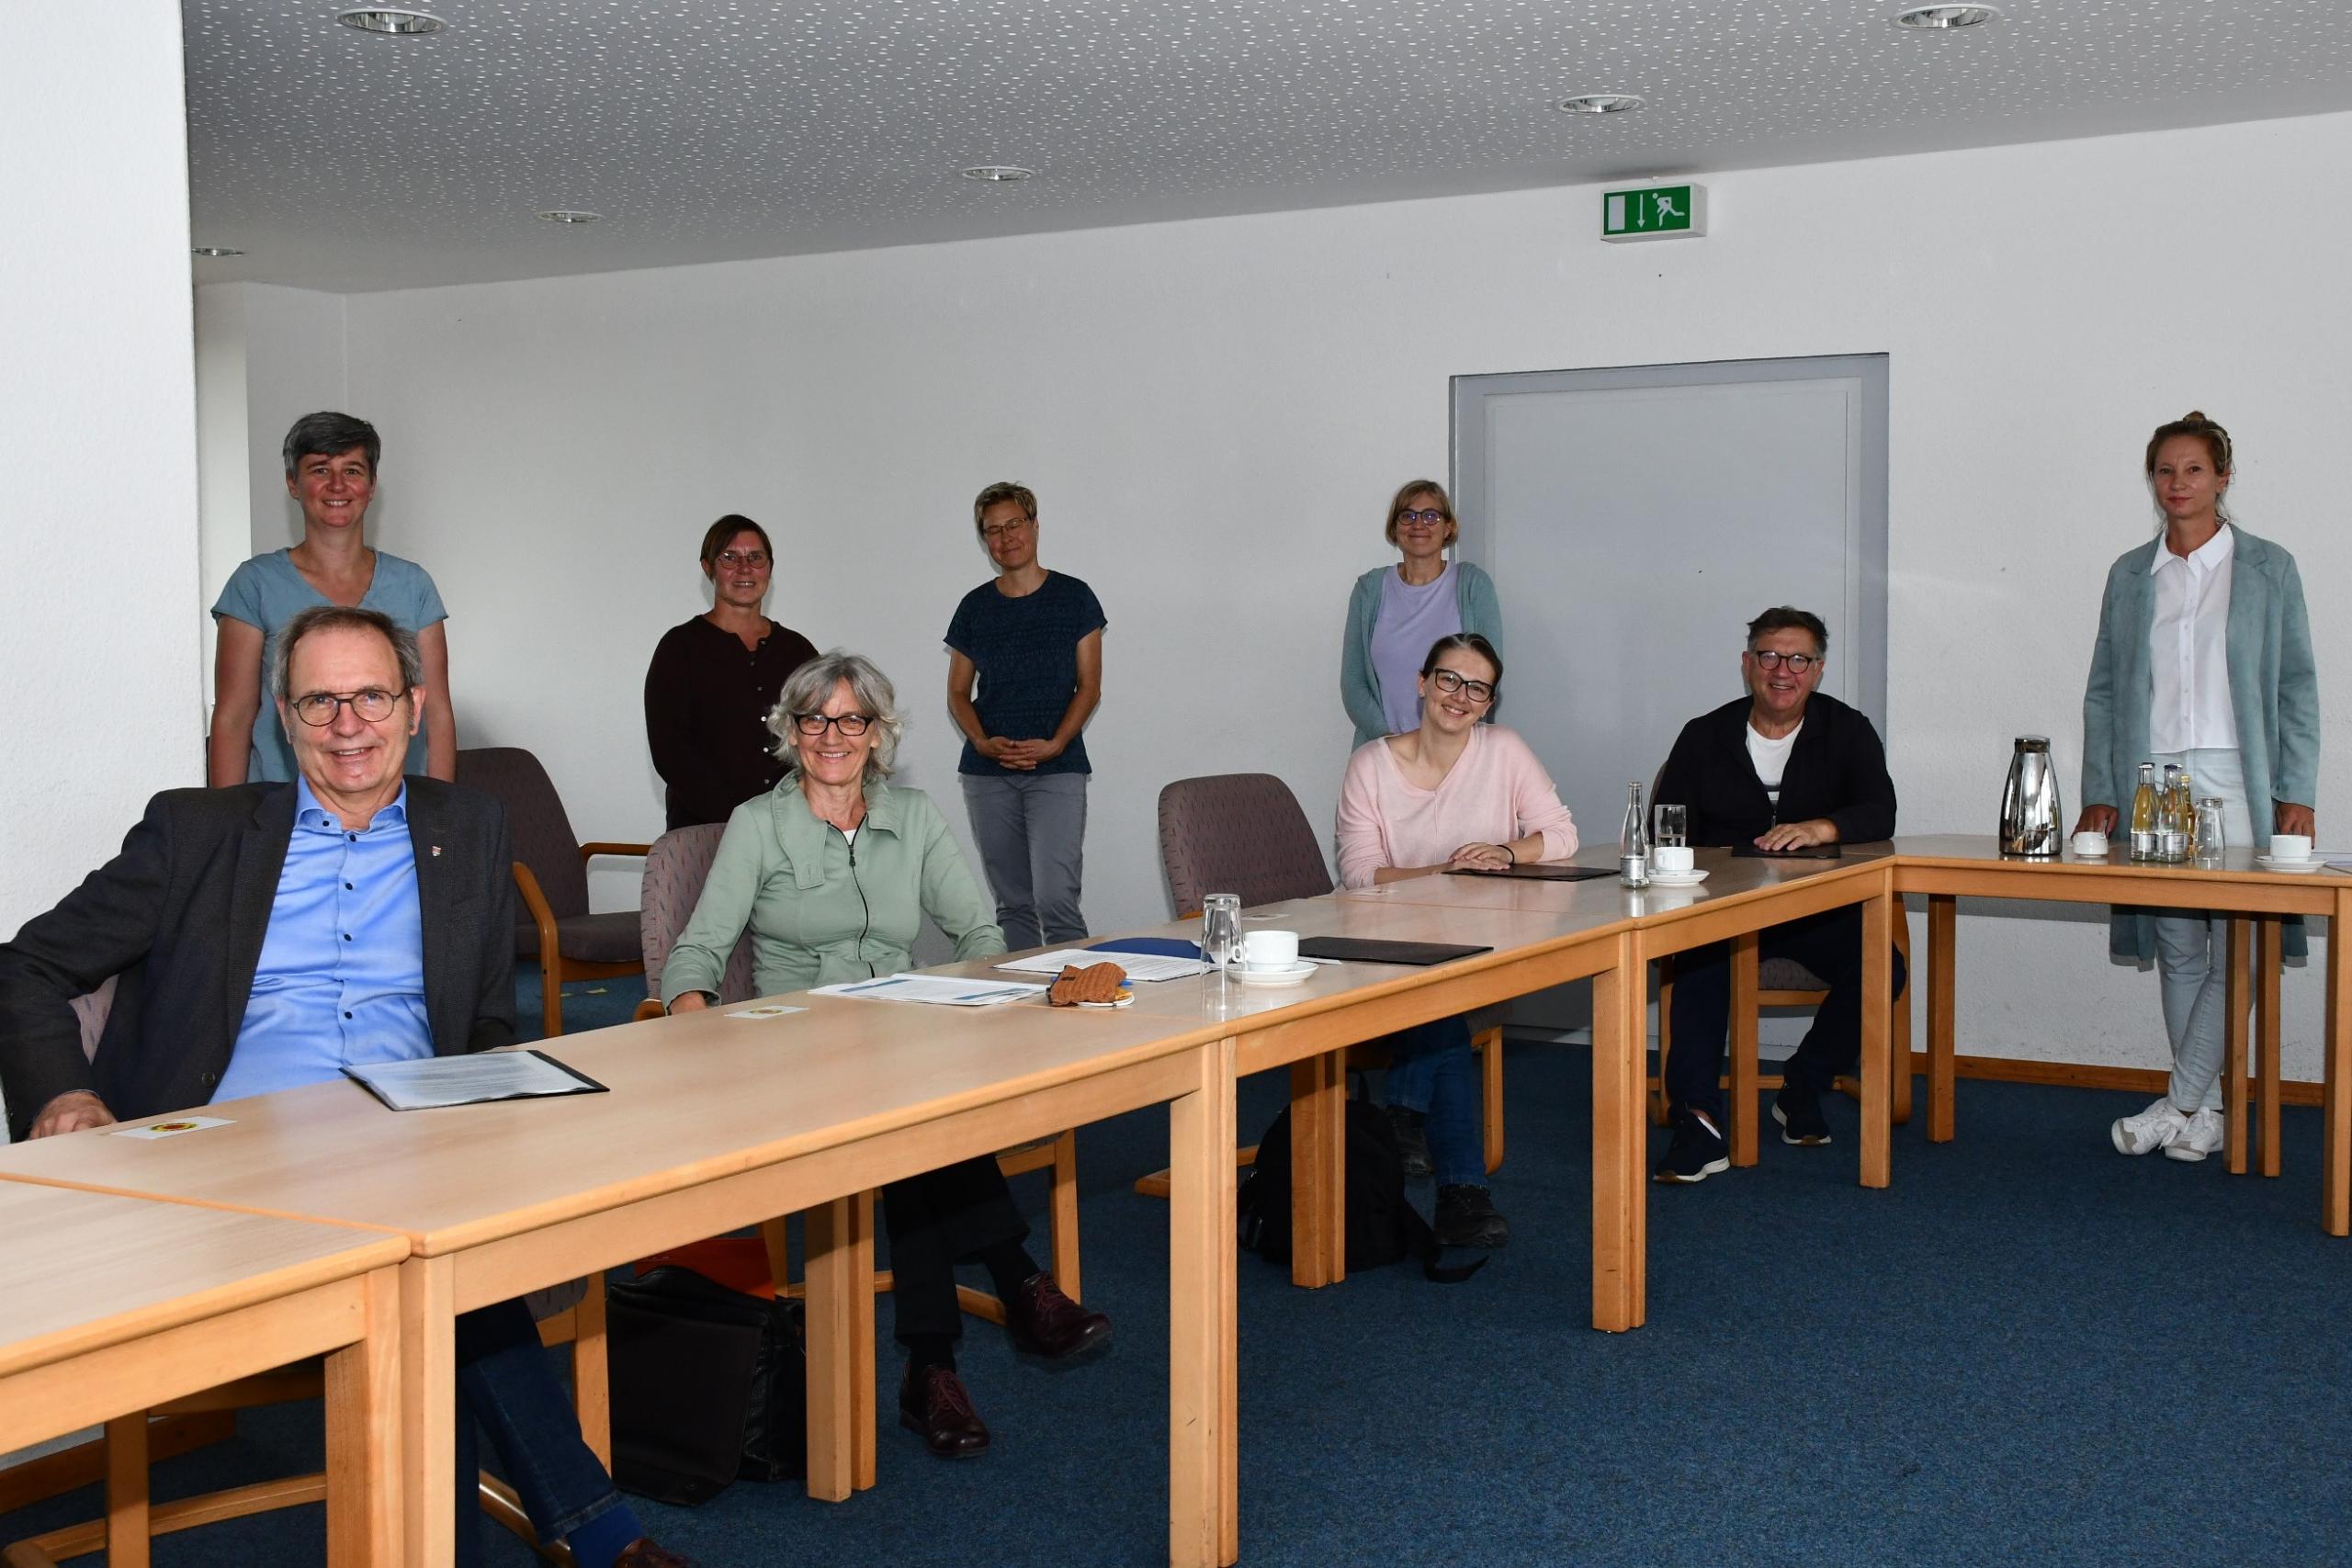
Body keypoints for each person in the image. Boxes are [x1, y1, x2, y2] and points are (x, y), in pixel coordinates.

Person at [0, 606, 690, 1568]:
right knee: (443, 1278)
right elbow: (25, 966)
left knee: (444, 1253)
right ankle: (593, 1528)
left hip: (413, 1141)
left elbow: (487, 1022)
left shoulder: (471, 828)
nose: (347, 723)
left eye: (370, 695)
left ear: (412, 707)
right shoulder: (197, 834)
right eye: (319, 700)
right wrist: (59, 1097)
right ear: (286, 719)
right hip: (233, 1166)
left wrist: (510, 1111)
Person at [663, 649, 1111, 1458]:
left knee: (914, 1130)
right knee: (916, 1135)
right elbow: (697, 950)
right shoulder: (758, 824)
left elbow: (977, 934)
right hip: (800, 1048)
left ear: (878, 733)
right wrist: (693, 1025)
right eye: (815, 718)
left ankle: (933, 1369)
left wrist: (1001, 994)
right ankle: (1011, 1289)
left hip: (908, 1032)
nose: (833, 734)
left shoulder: (916, 816)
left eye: (851, 719)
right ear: (790, 731)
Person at [2077, 411, 2319, 1163]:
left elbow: (2296, 688)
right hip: (2155, 781)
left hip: (2236, 779)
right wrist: (2102, 786)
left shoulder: (2269, 567)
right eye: (2164, 471)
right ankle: (2206, 1111)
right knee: (2180, 947)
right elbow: (2105, 691)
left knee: (2238, 948)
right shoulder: (2129, 573)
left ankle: (2177, 1098)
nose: (2177, 485)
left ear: (2222, 477)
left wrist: (2296, 790)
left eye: (2193, 470)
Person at [1333, 632, 1574, 1246]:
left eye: (1477, 687)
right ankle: (1461, 1192)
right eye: (1447, 679)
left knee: (1442, 1006)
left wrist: (1504, 850)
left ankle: (1409, 1116)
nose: (1459, 696)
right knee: (1439, 1010)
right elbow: (1359, 873)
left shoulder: (1505, 750)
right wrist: (1448, 868)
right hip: (1384, 956)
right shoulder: (1371, 764)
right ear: (1421, 681)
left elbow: (1561, 834)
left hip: (1484, 952)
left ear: (1490, 703)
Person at [1651, 606, 1902, 1184]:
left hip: (1810, 911)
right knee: (1698, 966)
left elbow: (1879, 811)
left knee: (1880, 966)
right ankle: (1696, 1120)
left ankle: (1803, 1082)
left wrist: (1822, 828)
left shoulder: (1848, 729)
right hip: (1721, 910)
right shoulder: (1704, 733)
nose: (1781, 670)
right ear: (1747, 664)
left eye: (1798, 659)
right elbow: (1670, 826)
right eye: (1768, 655)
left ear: (1817, 671)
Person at [210, 412, 457, 786]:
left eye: (353, 471)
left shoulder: (413, 585)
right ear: (293, 483)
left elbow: (437, 712)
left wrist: (444, 818)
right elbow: (233, 715)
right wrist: (224, 825)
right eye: (320, 470)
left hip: (399, 815)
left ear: (371, 486)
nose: (337, 485)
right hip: (281, 814)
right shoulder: (254, 584)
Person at [946, 481, 1106, 948]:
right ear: (984, 540)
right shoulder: (974, 607)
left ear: (1034, 526)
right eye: (992, 530)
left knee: (1056, 898)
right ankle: (1023, 1007)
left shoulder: (1075, 598)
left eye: (1014, 524)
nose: (1005, 537)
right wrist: (980, 742)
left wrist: (1057, 742)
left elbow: (1090, 687)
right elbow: (958, 692)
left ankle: (1079, 998)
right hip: (988, 773)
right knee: (1012, 903)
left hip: (1057, 766)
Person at [644, 513, 820, 829]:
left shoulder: (799, 651)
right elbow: (671, 752)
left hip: (791, 830)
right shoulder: (679, 649)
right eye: (729, 558)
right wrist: (740, 822)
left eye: (756, 557)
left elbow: (821, 736)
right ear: (707, 567)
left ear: (769, 567)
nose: (744, 569)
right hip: (707, 831)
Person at [1340, 479, 1504, 750]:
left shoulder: (1474, 585)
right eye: (1407, 516)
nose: (1419, 524)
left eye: (1431, 515)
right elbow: (1354, 684)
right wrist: (1393, 743)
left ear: (1448, 527)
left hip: (1456, 755)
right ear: (1394, 528)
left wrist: (1441, 745)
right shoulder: (1369, 590)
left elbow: (1486, 678)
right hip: (1383, 753)